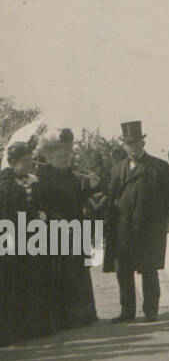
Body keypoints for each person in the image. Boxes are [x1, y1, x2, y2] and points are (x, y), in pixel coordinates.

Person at [105, 121, 169, 324]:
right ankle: (127, 311)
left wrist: (158, 216)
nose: (133, 147)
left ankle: (151, 311)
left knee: (148, 269)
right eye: (129, 144)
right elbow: (112, 196)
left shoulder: (158, 166)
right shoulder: (117, 168)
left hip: (148, 228)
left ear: (143, 143)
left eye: (136, 143)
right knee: (124, 271)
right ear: (124, 145)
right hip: (123, 227)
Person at [38, 136, 98, 330]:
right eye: (60, 156)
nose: (65, 159)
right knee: (62, 273)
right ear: (48, 157)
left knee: (78, 272)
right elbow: (46, 204)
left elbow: (77, 200)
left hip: (76, 229)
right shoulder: (43, 177)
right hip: (57, 231)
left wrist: (90, 188)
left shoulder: (71, 176)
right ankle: (64, 318)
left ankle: (82, 316)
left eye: (67, 155)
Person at [0, 139, 53, 344]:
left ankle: (33, 326)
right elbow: (10, 213)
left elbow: (40, 202)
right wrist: (34, 216)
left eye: (30, 159)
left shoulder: (32, 180)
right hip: (11, 240)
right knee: (14, 284)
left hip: (32, 239)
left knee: (33, 281)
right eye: (25, 160)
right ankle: (13, 330)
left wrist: (41, 212)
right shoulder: (5, 184)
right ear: (13, 162)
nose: (29, 163)